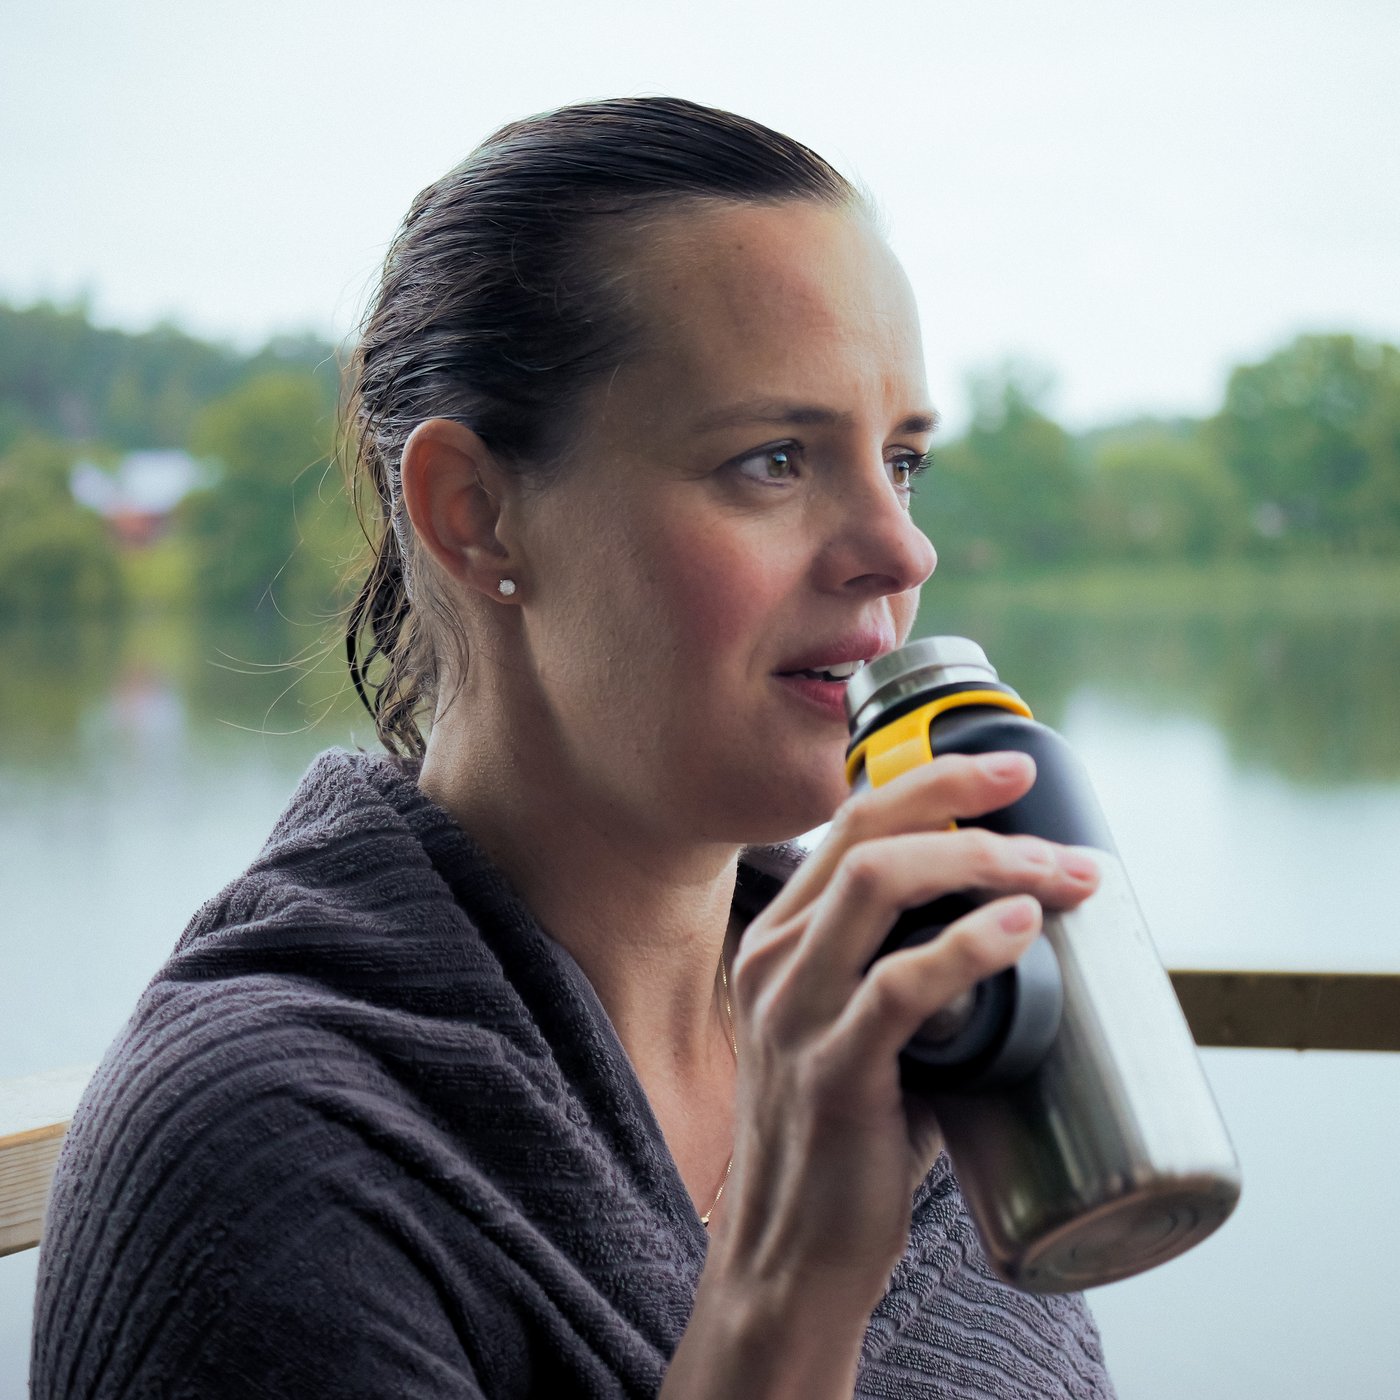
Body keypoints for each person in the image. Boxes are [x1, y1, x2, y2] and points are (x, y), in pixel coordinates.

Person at [31, 97, 1115, 1398]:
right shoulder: (264, 1150)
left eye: (902, 459)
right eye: (775, 458)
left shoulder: (911, 1019)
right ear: (475, 513)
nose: (903, 549)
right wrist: (788, 1290)